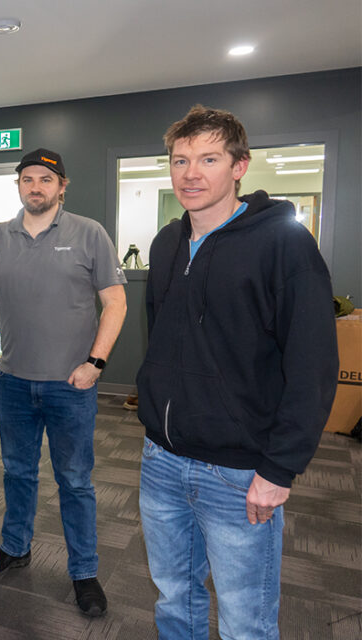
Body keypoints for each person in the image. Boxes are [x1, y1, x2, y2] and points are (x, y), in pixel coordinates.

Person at [136, 106, 338, 639]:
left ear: (239, 166)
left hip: (241, 472)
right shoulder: (166, 243)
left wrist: (279, 469)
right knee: (174, 600)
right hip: (162, 459)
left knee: (246, 620)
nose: (190, 174)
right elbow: (160, 338)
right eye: (180, 161)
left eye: (208, 158)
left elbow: (313, 364)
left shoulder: (283, 243)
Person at [0, 148, 127, 617]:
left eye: (45, 179)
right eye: (27, 179)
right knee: (17, 473)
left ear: (61, 186)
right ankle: (15, 547)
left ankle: (84, 571)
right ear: (18, 185)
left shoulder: (88, 233)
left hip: (70, 385)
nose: (35, 186)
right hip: (13, 381)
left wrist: (95, 363)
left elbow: (114, 303)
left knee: (74, 481)